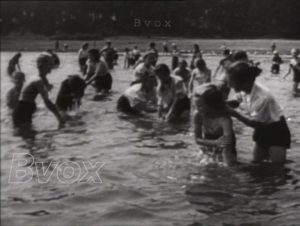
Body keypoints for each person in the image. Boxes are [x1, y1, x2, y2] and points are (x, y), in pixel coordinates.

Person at [226, 61, 291, 163]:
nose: (229, 85)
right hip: (262, 129)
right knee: (256, 164)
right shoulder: (245, 88)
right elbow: (237, 100)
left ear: (245, 82)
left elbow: (254, 123)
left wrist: (233, 113)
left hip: (276, 130)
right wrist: (221, 104)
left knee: (277, 169)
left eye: (231, 82)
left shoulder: (263, 97)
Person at [12, 53, 65, 128]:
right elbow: (47, 102)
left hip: (24, 111)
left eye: (52, 64)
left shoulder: (39, 77)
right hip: (22, 113)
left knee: (29, 136)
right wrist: (59, 118)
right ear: (41, 65)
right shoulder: (38, 80)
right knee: (28, 136)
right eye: (50, 64)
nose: (52, 67)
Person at [193, 84, 237, 166]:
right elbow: (197, 139)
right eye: (197, 106)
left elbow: (227, 147)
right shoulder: (198, 115)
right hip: (209, 143)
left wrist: (228, 166)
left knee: (230, 165)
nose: (198, 109)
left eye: (201, 106)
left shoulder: (224, 120)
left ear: (211, 106)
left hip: (227, 145)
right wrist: (215, 143)